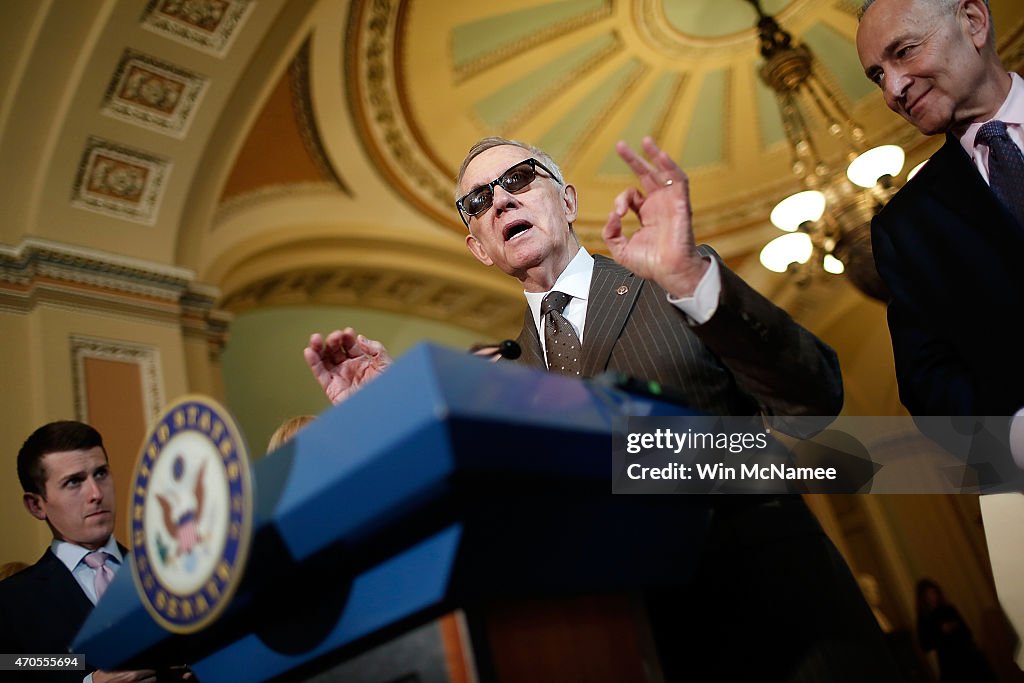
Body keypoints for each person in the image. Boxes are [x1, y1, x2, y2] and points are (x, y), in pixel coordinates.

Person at [304, 136, 901, 681]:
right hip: (633, 653)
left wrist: (692, 276)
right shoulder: (496, 379)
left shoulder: (672, 284)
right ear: (479, 249)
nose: (500, 202)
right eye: (479, 201)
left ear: (566, 200)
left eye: (518, 180)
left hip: (785, 635)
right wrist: (382, 417)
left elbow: (813, 396)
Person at [857, 0, 1024, 667]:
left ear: (975, 23)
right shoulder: (905, 227)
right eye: (876, 75)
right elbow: (927, 387)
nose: (892, 88)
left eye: (903, 53)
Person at [0, 421, 192, 683]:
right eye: (74, 482)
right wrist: (89, 681)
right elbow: (14, 664)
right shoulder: (12, 601)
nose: (95, 493)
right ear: (36, 505)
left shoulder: (171, 572)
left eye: (101, 474)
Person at [916, 579, 995, 682]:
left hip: (967, 655)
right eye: (929, 595)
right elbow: (925, 645)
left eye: (934, 593)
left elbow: (967, 632)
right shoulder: (924, 619)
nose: (933, 597)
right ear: (923, 599)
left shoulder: (949, 609)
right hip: (949, 662)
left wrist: (954, 627)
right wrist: (941, 632)